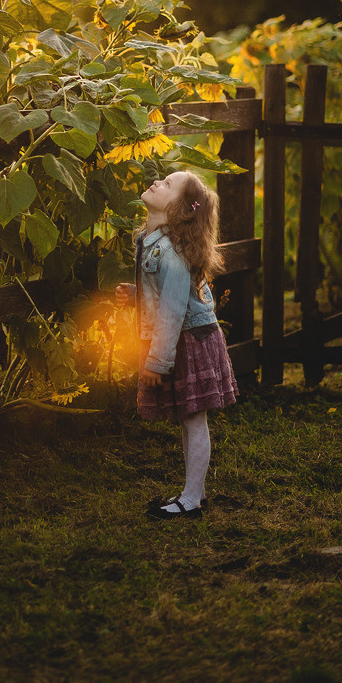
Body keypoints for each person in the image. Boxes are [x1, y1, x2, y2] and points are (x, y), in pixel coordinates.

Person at [116, 170, 239, 519]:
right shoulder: (153, 240)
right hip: (180, 338)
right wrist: (137, 294)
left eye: (167, 185)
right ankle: (194, 492)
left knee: (194, 418)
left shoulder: (171, 252)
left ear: (179, 211)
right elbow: (166, 294)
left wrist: (156, 362)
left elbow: (172, 311)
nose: (157, 182)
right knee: (189, 418)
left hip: (189, 340)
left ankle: (191, 499)